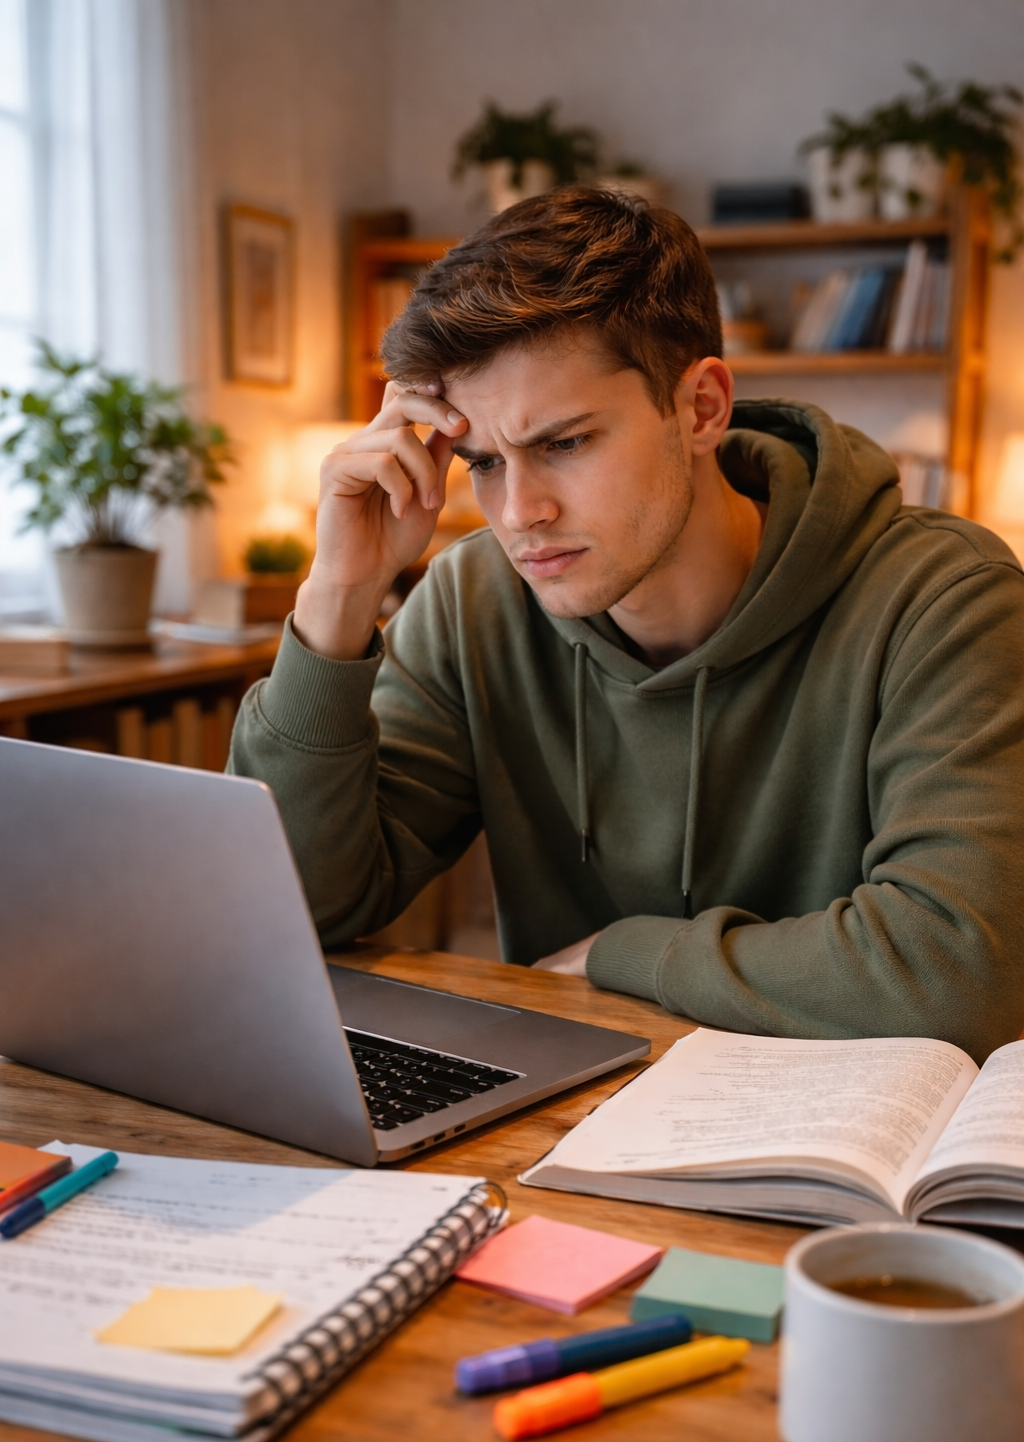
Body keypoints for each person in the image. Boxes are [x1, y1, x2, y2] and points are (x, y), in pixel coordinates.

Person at [229, 186, 1024, 1063]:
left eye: (565, 443)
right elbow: (301, 913)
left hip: (845, 1155)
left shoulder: (946, 599)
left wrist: (624, 954)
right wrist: (340, 592)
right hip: (560, 1129)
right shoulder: (472, 602)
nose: (519, 511)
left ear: (701, 409)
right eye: (485, 462)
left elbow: (961, 973)